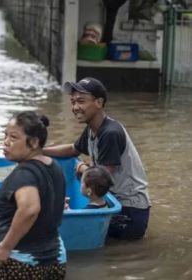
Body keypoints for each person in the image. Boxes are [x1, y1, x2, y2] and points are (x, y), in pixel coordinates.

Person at [43, 77, 151, 240]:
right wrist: (40, 151)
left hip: (129, 210)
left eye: (81, 101)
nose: (75, 107)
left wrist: (82, 168)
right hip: (113, 202)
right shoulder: (93, 129)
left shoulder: (110, 133)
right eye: (73, 102)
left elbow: (101, 179)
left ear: (99, 102)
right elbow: (73, 149)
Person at [0, 111, 66, 280]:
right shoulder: (54, 167)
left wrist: (5, 247)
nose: (6, 142)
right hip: (54, 258)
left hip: (18, 262)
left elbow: (29, 209)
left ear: (34, 142)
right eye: (5, 135)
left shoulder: (24, 173)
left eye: (13, 138)